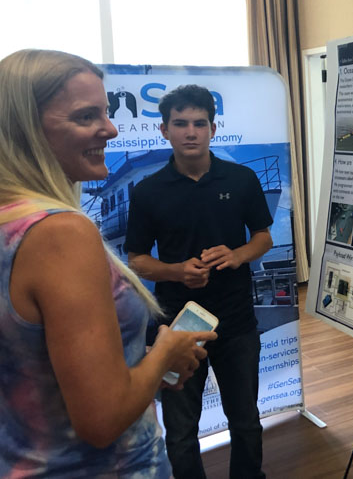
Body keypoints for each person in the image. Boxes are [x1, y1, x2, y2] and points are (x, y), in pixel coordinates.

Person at [0, 49, 214, 477]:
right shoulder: (61, 233)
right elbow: (102, 419)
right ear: (24, 129)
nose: (111, 129)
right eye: (85, 117)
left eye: (107, 112)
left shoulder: (12, 222)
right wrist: (165, 353)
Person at [125, 84, 273, 479]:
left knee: (245, 420)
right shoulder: (148, 191)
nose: (190, 131)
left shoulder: (242, 179)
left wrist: (237, 254)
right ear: (164, 131)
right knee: (181, 431)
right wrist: (177, 271)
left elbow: (263, 236)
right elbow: (136, 259)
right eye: (180, 124)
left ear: (213, 128)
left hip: (237, 321)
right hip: (177, 327)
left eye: (199, 123)